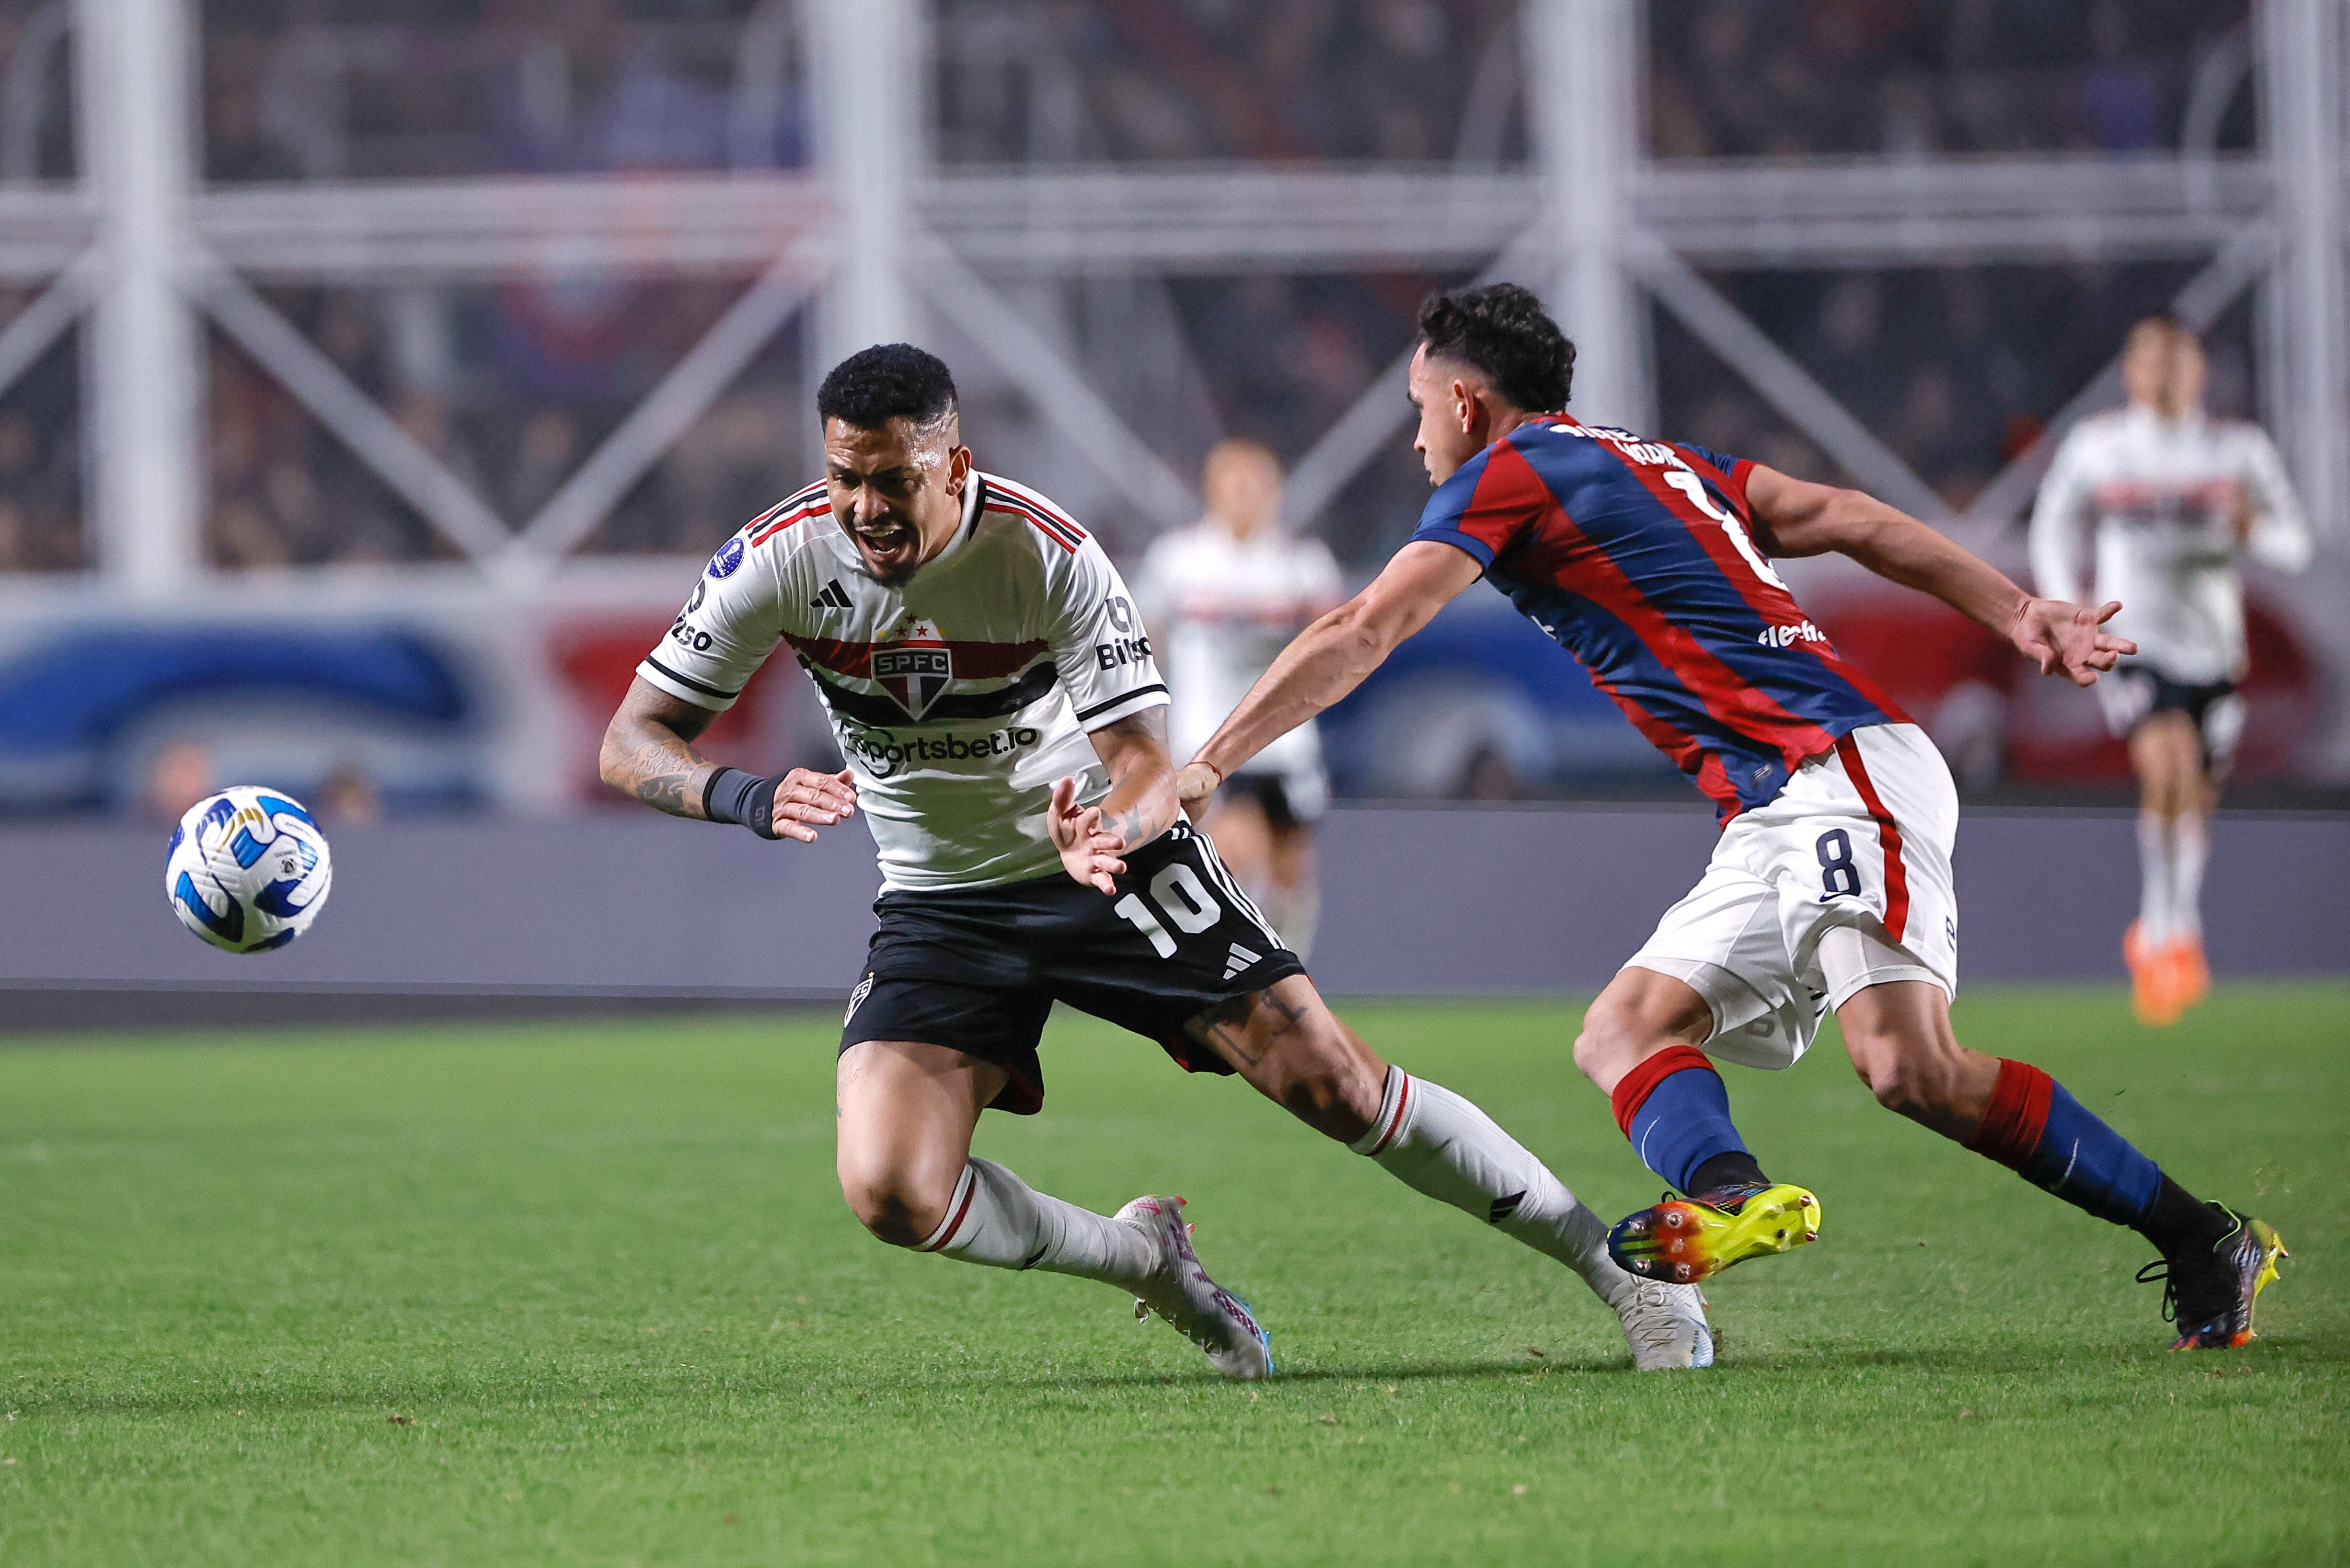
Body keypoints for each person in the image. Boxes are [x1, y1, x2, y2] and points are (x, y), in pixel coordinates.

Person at [1176, 284, 2287, 1351]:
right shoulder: (1652, 459)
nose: (1416, 438)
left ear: (1465, 403)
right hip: (1774, 805)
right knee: (1622, 1030)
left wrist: (1211, 757)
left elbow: (1366, 628)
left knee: (1910, 1068)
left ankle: (2201, 1239)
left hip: (1836, 766)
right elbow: (1843, 516)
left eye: (1419, 410)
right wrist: (2014, 607)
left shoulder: (1507, 471)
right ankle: (1732, 1198)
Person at [599, 343, 1714, 1378]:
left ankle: (1614, 1272)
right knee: (889, 1189)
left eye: (892, 480)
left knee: (1333, 1081)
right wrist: (741, 795)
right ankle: (1143, 1259)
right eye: (845, 476)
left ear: (954, 464)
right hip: (942, 900)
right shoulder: (777, 559)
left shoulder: (1048, 555)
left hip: (1108, 862)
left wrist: (1116, 831)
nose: (863, 508)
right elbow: (630, 741)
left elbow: (1143, 761)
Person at [2029, 319, 2311, 1026]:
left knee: (2199, 793)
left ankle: (2175, 928)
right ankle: (2162, 937)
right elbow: (2052, 524)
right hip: (2133, 641)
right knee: (2168, 764)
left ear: (2198, 372)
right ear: (2128, 371)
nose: (2161, 373)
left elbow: (2296, 547)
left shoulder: (2236, 450)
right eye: (2148, 359)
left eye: (2175, 360)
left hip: (2214, 648)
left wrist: (2254, 533)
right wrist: (2069, 607)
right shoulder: (2101, 447)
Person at [1138, 440, 1343, 955]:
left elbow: (1332, 649)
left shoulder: (1302, 564)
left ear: (1274, 491)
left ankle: (1294, 967)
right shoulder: (1178, 559)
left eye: (1254, 483)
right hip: (1209, 737)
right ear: (1211, 489)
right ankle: (1239, 970)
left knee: (1290, 870)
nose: (1243, 494)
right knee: (1233, 850)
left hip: (1287, 743)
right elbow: (1143, 640)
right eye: (1232, 483)